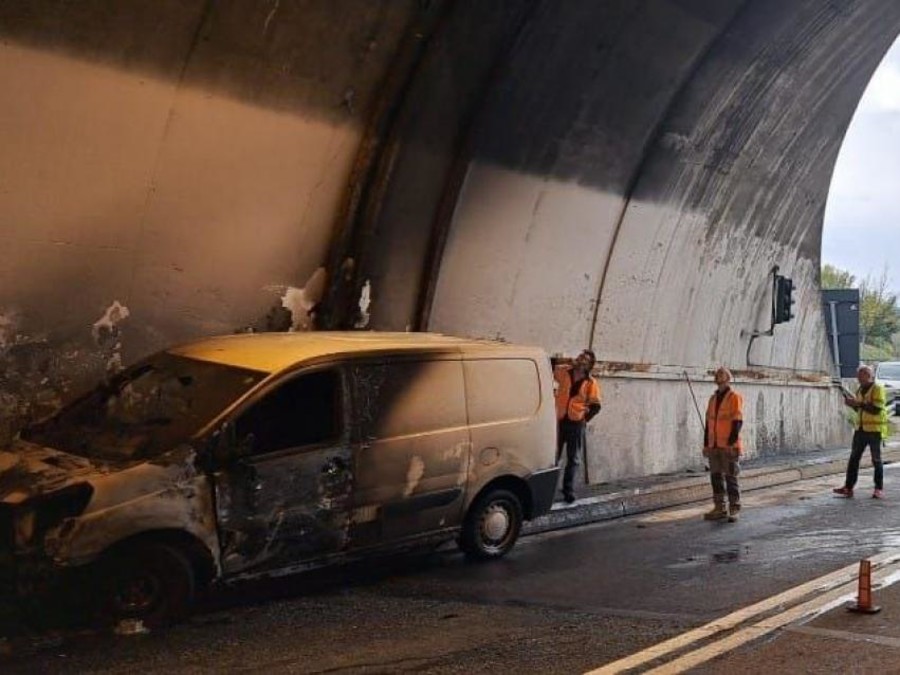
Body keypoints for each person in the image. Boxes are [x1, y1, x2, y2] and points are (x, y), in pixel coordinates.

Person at [554, 349, 602, 503]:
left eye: (585, 359)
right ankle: (549, 490)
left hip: (576, 424)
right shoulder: (564, 372)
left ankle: (568, 490)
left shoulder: (590, 382)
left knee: (573, 459)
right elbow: (552, 369)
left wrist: (583, 418)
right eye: (581, 357)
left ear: (589, 365)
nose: (581, 360)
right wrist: (564, 361)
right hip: (560, 421)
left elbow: (596, 405)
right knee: (553, 457)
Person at [833, 365, 888, 499]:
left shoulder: (877, 389)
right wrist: (853, 405)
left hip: (874, 430)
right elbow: (861, 410)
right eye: (858, 375)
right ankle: (848, 487)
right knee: (854, 459)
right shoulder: (860, 390)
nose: (858, 378)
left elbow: (876, 409)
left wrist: (857, 404)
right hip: (861, 430)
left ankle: (878, 489)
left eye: (860, 375)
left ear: (868, 375)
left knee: (876, 460)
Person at [703, 367, 744, 522]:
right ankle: (719, 507)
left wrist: (731, 443)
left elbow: (738, 421)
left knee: (730, 477)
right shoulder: (713, 399)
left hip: (728, 445)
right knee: (715, 477)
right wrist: (706, 444)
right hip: (714, 445)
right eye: (717, 374)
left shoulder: (734, 397)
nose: (718, 375)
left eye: (722, 374)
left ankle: (734, 508)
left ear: (728, 378)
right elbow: (709, 424)